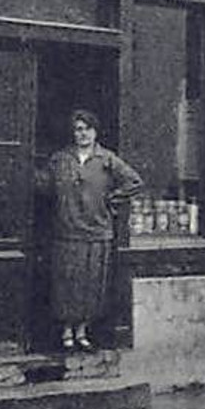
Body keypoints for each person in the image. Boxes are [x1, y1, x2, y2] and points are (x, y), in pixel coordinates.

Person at [41, 109, 143, 353]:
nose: (83, 134)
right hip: (67, 232)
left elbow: (134, 182)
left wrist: (111, 198)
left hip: (98, 233)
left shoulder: (107, 159)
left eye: (87, 129)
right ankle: (66, 332)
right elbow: (44, 185)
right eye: (78, 129)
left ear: (95, 132)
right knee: (67, 283)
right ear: (73, 132)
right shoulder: (60, 159)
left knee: (91, 286)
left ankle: (82, 332)